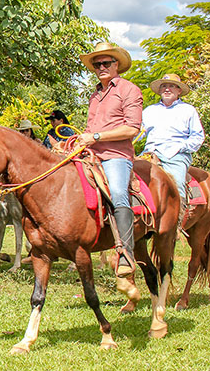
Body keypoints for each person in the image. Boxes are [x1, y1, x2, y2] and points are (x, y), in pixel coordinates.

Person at [75, 41, 143, 277]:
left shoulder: (129, 90)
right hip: (91, 155)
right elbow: (90, 127)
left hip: (116, 155)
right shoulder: (95, 95)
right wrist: (81, 141)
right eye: (96, 64)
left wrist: (95, 136)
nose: (101, 67)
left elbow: (132, 129)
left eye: (106, 63)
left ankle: (125, 253)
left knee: (117, 192)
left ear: (117, 65)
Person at [142, 73, 204, 224]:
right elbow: (137, 131)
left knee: (176, 183)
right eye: (164, 86)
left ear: (179, 91)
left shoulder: (188, 110)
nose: (167, 89)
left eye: (171, 86)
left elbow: (198, 137)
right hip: (150, 153)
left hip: (176, 155)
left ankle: (176, 222)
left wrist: (179, 147)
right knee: (133, 180)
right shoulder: (149, 110)